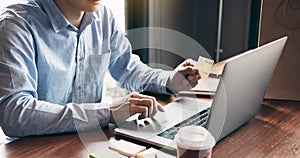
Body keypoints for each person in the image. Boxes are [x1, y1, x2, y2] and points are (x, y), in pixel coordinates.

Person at [0, 0, 200, 137]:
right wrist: (108, 111)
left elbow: (128, 68)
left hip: (86, 148)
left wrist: (169, 80)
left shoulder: (102, 16)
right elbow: (15, 112)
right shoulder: (16, 25)